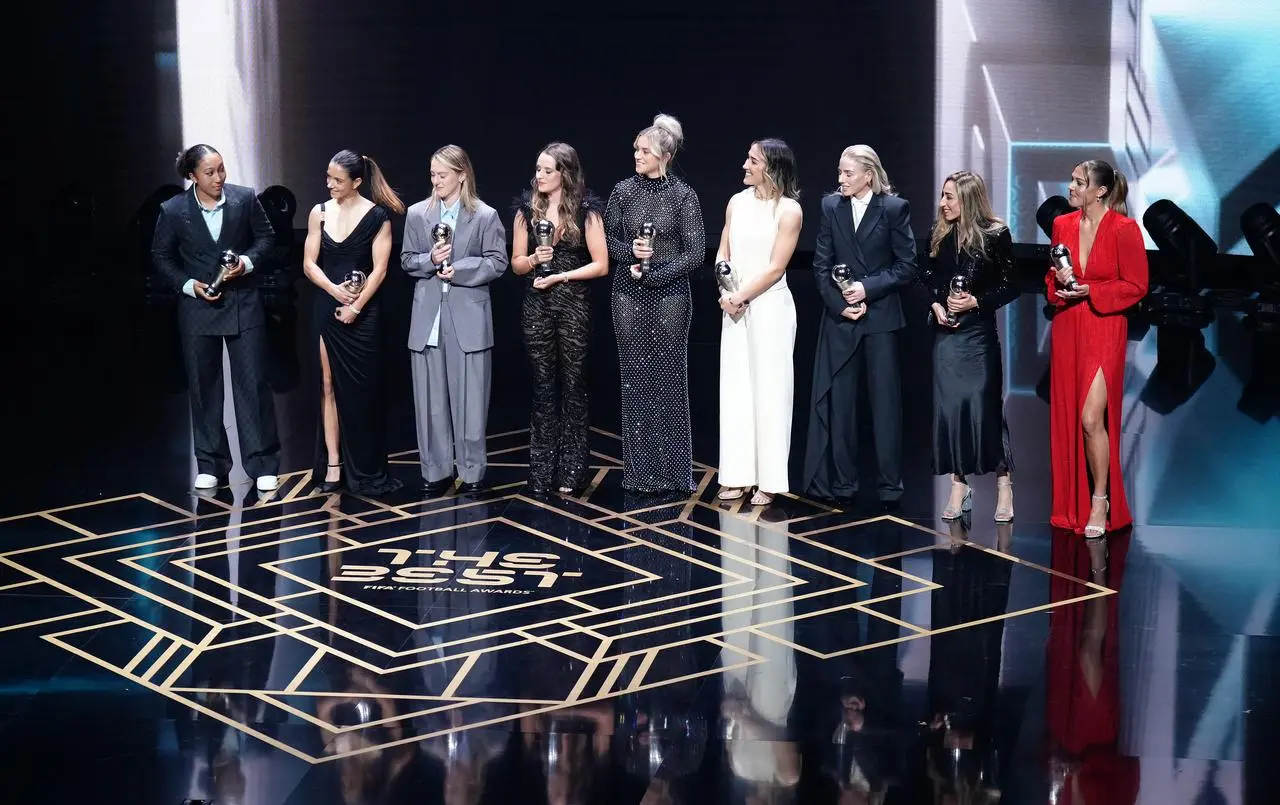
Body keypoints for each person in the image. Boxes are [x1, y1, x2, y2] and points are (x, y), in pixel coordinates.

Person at [151, 143, 280, 492]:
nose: (219, 177)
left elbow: (267, 239)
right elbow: (161, 256)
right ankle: (210, 461)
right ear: (192, 176)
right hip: (198, 309)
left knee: (252, 385)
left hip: (244, 303)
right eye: (210, 172)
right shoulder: (174, 210)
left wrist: (247, 263)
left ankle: (262, 462)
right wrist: (188, 285)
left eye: (221, 169)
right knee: (204, 387)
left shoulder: (244, 199)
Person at [801, 145, 917, 509]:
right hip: (842, 319)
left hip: (880, 318)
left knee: (884, 406)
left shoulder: (894, 209)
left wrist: (867, 287)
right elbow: (821, 265)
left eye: (848, 173)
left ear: (869, 174)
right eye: (840, 172)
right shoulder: (830, 207)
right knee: (842, 404)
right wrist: (839, 305)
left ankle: (889, 487)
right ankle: (844, 484)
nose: (840, 180)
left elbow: (906, 266)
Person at [604, 113, 706, 496]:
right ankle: (640, 474)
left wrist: (657, 274)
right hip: (628, 292)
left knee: (669, 380)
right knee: (635, 382)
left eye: (644, 150)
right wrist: (629, 252)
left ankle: (675, 474)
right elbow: (606, 241)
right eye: (635, 149)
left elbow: (695, 252)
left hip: (670, 296)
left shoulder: (683, 195)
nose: (637, 155)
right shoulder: (622, 191)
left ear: (663, 155)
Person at [1046, 160, 1148, 537]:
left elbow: (1136, 285)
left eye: (1078, 182)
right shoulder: (1062, 224)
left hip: (1105, 326)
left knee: (1092, 418)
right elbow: (1050, 276)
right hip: (1069, 325)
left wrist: (1094, 290)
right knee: (1073, 418)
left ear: (1100, 191)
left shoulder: (1124, 229)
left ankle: (1100, 499)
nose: (1071, 187)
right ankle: (1074, 501)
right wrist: (1060, 285)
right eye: (1072, 180)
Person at [401, 145, 508, 496]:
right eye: (432, 175)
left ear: (462, 175)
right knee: (430, 402)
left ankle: (473, 472)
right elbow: (406, 260)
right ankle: (436, 471)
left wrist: (457, 270)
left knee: (471, 400)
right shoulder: (418, 214)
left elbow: (497, 262)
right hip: (428, 317)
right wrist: (430, 259)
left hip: (468, 317)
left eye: (442, 175)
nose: (436, 181)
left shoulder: (485, 215)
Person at [301, 149, 405, 496]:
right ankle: (333, 463)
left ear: (357, 182)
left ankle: (367, 467)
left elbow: (380, 270)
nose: (329, 184)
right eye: (328, 177)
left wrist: (355, 306)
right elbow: (309, 264)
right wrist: (334, 292)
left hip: (363, 314)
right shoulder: (320, 212)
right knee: (327, 385)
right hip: (327, 310)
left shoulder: (378, 217)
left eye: (337, 180)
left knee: (364, 393)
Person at [510, 143, 608, 496]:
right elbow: (516, 263)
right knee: (542, 386)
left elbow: (601, 264)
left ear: (564, 173)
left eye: (547, 170)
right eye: (537, 169)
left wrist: (561, 276)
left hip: (573, 305)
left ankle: (572, 470)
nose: (539, 176)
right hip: (537, 305)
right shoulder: (526, 210)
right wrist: (536, 260)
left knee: (573, 386)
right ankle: (540, 469)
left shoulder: (587, 210)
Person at [922, 171, 1018, 521]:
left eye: (950, 197)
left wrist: (976, 301)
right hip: (946, 338)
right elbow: (927, 278)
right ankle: (959, 485)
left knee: (985, 408)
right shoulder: (940, 233)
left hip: (977, 337)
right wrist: (935, 303)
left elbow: (1011, 285)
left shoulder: (995, 234)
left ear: (969, 199)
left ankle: (1004, 485)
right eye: (943, 195)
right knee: (950, 411)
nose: (942, 203)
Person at [714, 139, 803, 507]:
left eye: (752, 160)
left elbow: (776, 266)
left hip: (768, 308)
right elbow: (723, 250)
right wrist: (725, 287)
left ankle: (769, 480)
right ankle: (736, 475)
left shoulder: (789, 210)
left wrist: (741, 295)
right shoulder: (737, 202)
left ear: (771, 167)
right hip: (733, 304)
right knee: (736, 390)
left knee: (769, 391)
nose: (745, 165)